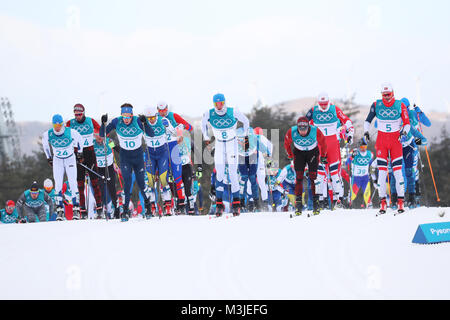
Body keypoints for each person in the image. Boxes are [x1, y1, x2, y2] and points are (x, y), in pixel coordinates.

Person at [100, 103, 155, 221]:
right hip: (125, 157)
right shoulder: (116, 121)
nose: (125, 119)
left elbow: (151, 134)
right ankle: (125, 211)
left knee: (141, 184)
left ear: (132, 115)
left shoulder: (138, 121)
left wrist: (145, 123)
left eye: (128, 116)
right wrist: (103, 124)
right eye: (123, 116)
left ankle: (148, 206)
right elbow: (102, 134)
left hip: (138, 157)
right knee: (127, 183)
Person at [364, 83, 410, 214]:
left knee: (398, 173)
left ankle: (401, 202)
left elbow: (407, 124)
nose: (387, 98)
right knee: (382, 173)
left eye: (388, 95)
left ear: (393, 93)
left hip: (396, 142)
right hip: (382, 143)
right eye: (384, 95)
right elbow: (367, 121)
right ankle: (383, 202)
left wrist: (404, 133)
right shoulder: (376, 104)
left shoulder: (400, 104)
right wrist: (366, 132)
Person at [201, 93, 250, 217]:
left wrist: (245, 135)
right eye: (216, 104)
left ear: (224, 102)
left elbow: (246, 121)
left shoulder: (233, 111)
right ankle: (219, 204)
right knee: (220, 174)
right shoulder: (209, 113)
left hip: (231, 144)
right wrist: (206, 136)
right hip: (219, 144)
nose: (219, 106)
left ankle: (236, 204)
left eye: (221, 103)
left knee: (233, 173)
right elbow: (203, 123)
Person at [306, 93, 354, 208]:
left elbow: (347, 122)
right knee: (320, 175)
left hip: (333, 145)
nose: (323, 106)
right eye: (321, 104)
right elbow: (303, 123)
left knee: (335, 174)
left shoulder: (334, 109)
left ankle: (339, 201)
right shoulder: (313, 111)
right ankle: (321, 202)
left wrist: (349, 134)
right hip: (320, 146)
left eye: (325, 104)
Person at [42, 114, 84, 220]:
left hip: (70, 158)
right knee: (58, 184)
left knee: (72, 182)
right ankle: (60, 209)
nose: (57, 127)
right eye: (55, 125)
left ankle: (76, 208)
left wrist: (80, 152)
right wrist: (48, 157)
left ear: (62, 124)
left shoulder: (69, 131)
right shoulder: (48, 134)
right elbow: (45, 144)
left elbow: (80, 139)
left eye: (59, 125)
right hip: (58, 160)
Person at [284, 116, 328, 215]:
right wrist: (290, 155)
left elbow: (323, 142)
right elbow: (286, 143)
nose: (302, 132)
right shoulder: (292, 131)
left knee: (313, 177)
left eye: (305, 129)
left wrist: (324, 155)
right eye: (300, 129)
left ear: (308, 127)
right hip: (299, 153)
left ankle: (316, 203)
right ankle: (298, 204)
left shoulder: (315, 130)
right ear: (297, 127)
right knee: (299, 177)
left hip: (312, 153)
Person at [66, 104, 104, 218]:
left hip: (90, 152)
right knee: (80, 183)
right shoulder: (70, 123)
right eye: (76, 114)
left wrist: (99, 136)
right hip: (77, 154)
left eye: (79, 114)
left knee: (94, 181)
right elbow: (64, 135)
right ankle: (82, 209)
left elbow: (101, 132)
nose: (77, 116)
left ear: (83, 113)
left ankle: (99, 207)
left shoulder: (90, 121)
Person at [156, 101, 193, 211]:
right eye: (160, 111)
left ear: (167, 109)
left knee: (177, 177)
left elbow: (189, 127)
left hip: (174, 148)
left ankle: (182, 202)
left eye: (164, 110)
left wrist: (180, 131)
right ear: (157, 110)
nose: (162, 113)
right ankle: (167, 204)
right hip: (161, 149)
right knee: (164, 177)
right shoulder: (154, 118)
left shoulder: (173, 116)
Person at [142, 106, 177, 217]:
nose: (151, 120)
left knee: (163, 179)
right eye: (149, 118)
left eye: (152, 117)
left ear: (156, 115)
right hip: (150, 154)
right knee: (151, 182)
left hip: (162, 153)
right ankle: (152, 207)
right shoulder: (143, 123)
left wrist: (169, 126)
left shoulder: (163, 121)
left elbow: (175, 133)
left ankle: (168, 207)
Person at [399, 98, 428, 208]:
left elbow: (428, 124)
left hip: (413, 147)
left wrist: (420, 112)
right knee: (400, 174)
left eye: (405, 108)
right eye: (402, 109)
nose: (404, 111)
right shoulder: (398, 115)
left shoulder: (413, 114)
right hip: (400, 147)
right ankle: (402, 198)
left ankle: (415, 197)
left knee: (413, 172)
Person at [93, 129, 120, 219]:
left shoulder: (108, 141)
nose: (99, 138)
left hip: (109, 169)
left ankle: (116, 209)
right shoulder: (93, 144)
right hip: (99, 169)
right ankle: (102, 209)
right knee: (100, 188)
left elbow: (117, 148)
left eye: (101, 136)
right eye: (97, 136)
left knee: (112, 188)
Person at [237, 127, 260, 212]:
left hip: (252, 157)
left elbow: (263, 146)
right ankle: (241, 202)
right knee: (244, 178)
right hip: (241, 157)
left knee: (252, 178)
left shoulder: (253, 136)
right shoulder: (237, 136)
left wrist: (268, 155)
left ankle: (256, 202)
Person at [349, 138, 374, 208]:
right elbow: (349, 160)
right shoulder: (355, 152)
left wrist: (372, 171)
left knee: (367, 191)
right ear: (359, 146)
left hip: (365, 177)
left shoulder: (369, 153)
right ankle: (350, 203)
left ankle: (369, 204)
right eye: (362, 147)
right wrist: (352, 156)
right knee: (354, 192)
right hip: (356, 177)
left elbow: (371, 163)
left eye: (365, 147)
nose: (363, 149)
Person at [254, 127, 274, 212]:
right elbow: (270, 149)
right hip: (261, 164)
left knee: (250, 183)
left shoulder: (251, 138)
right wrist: (269, 161)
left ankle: (252, 204)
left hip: (252, 163)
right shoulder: (265, 139)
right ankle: (265, 204)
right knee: (262, 184)